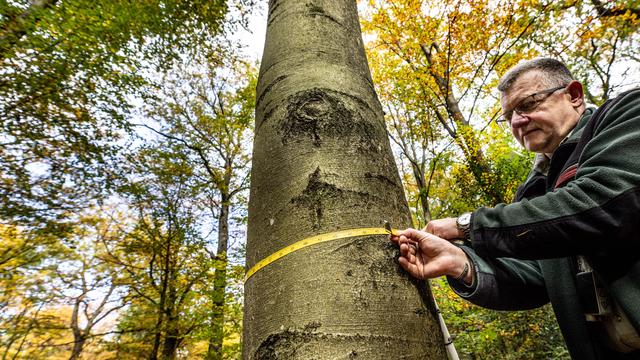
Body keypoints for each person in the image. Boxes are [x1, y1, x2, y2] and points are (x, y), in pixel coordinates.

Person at [390, 58, 640, 360]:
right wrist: (460, 262)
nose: (517, 122)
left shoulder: (626, 114)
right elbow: (535, 276)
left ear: (574, 95)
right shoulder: (534, 189)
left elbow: (602, 204)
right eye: (508, 116)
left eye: (529, 104)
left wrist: (468, 225)